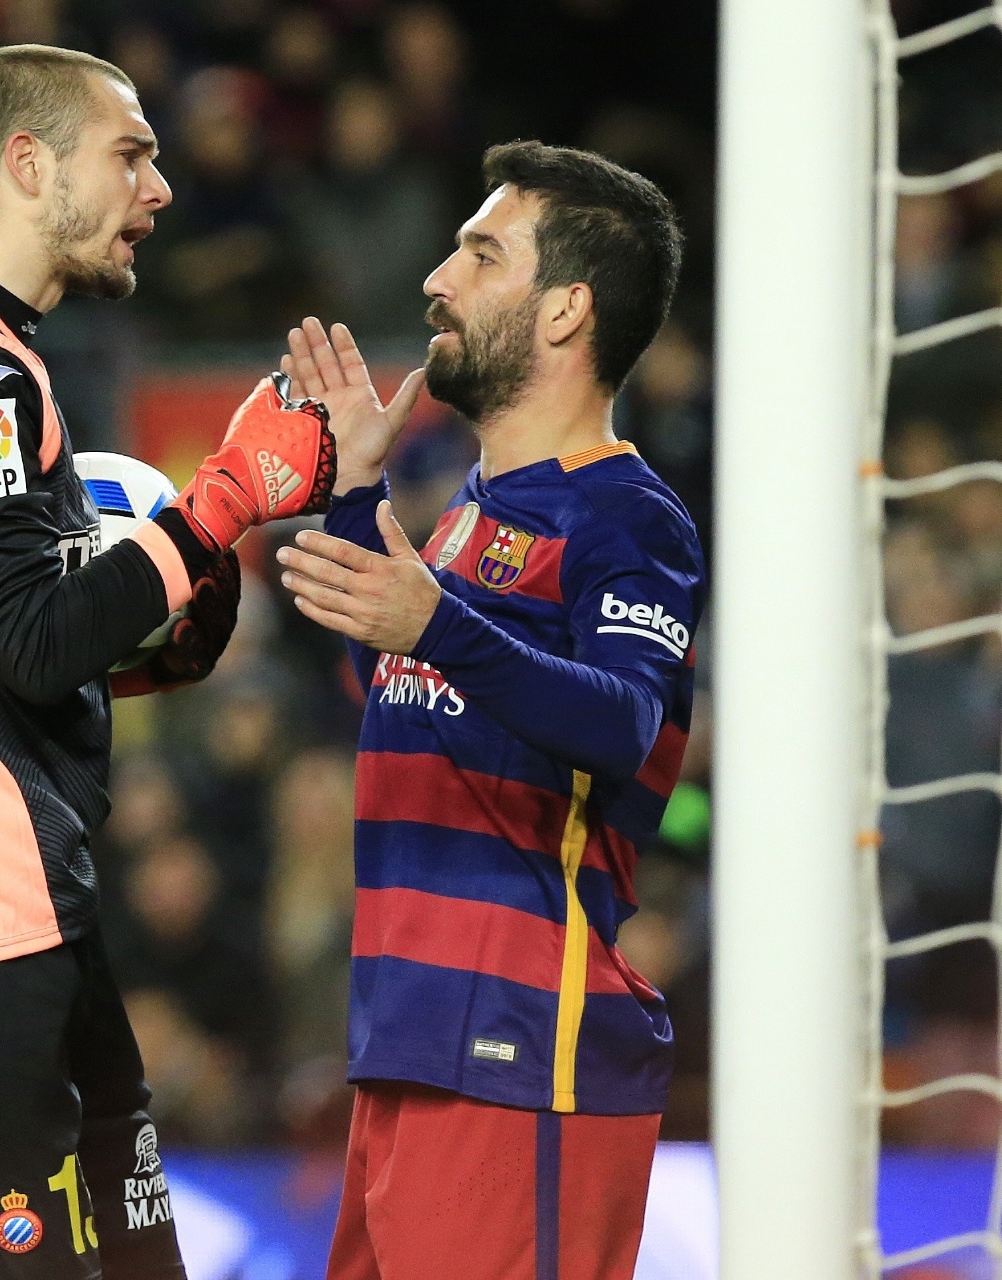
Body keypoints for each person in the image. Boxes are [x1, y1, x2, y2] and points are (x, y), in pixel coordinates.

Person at [0, 44, 347, 1280]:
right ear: (28, 164)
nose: (160, 191)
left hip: (16, 914)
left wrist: (155, 632)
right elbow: (36, 641)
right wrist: (216, 507)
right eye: (132, 154)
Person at [275, 141, 703, 1280]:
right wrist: (362, 493)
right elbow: (426, 705)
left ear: (565, 309)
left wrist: (437, 625)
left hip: (525, 1049)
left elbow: (618, 720)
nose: (436, 279)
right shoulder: (470, 509)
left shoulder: (628, 516)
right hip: (410, 1038)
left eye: (478, 252)